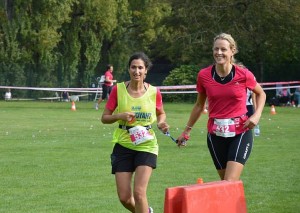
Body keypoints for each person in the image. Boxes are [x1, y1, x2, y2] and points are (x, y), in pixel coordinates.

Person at [177, 33, 266, 181]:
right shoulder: (204, 75)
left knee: (230, 182)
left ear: (232, 51)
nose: (219, 53)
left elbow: (261, 93)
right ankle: (236, 205)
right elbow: (199, 105)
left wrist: (256, 115)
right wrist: (186, 131)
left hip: (240, 132)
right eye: (216, 49)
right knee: (225, 183)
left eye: (223, 49)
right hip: (215, 134)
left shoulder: (243, 74)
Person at [101, 52, 169, 213]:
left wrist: (161, 123)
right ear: (128, 69)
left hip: (146, 145)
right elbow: (104, 118)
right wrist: (120, 116)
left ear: (146, 71)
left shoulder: (154, 92)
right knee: (124, 198)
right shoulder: (118, 90)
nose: (136, 71)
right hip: (123, 145)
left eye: (140, 68)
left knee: (139, 193)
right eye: (133, 67)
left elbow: (161, 113)